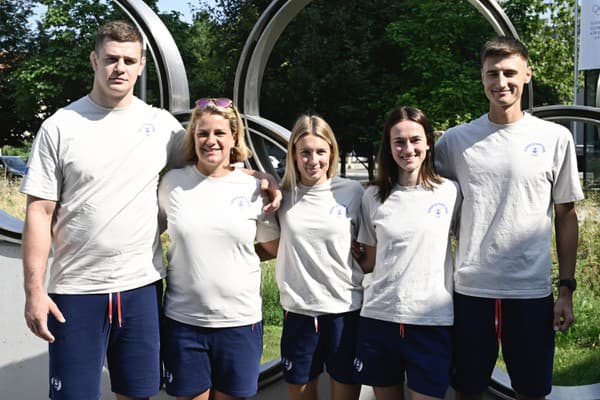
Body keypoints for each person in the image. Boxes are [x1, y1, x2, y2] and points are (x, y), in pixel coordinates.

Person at [20, 21, 280, 400]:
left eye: (128, 60)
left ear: (141, 65)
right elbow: (39, 213)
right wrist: (33, 292)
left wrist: (253, 174)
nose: (119, 68)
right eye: (110, 59)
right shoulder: (60, 127)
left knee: (138, 393)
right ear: (94, 61)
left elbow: (209, 162)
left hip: (141, 287)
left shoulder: (161, 127)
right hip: (76, 290)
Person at [435, 36, 584, 400]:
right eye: (492, 74)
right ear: (482, 78)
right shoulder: (454, 142)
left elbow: (566, 216)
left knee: (531, 392)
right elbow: (420, 197)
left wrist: (566, 290)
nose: (501, 82)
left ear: (527, 74)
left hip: (531, 293)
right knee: (467, 390)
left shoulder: (555, 138)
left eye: (509, 73)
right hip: (470, 291)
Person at [158, 97, 280, 400]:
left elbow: (273, 246)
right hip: (184, 321)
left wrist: (237, 259)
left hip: (239, 322)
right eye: (203, 133)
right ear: (193, 138)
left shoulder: (254, 188)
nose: (210, 141)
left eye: (219, 133)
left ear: (234, 138)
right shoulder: (173, 183)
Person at [353, 106, 461, 400]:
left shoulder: (450, 192)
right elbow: (371, 261)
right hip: (380, 318)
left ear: (428, 141)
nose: (408, 149)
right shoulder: (372, 197)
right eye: (398, 141)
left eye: (415, 139)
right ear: (388, 147)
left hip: (432, 321)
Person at [274, 115, 364, 400]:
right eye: (305, 152)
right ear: (294, 155)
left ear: (332, 152)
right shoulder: (282, 195)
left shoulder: (352, 192)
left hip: (344, 310)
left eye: (320, 151)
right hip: (299, 312)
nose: (313, 160)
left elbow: (369, 244)